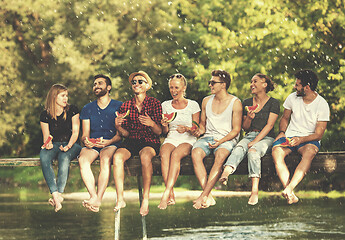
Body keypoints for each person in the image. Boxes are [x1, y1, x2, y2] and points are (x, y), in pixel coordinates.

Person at [219, 73, 280, 205]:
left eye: (255, 81)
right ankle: (226, 172)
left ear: (264, 85)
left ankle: (254, 191)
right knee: (239, 148)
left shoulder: (274, 103)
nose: (252, 84)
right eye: (251, 82)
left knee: (253, 151)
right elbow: (244, 127)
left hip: (267, 138)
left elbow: (269, 126)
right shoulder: (246, 102)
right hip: (249, 135)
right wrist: (249, 118)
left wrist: (255, 141)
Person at [272, 69, 330, 204]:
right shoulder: (292, 98)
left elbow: (318, 134)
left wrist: (302, 139)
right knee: (276, 152)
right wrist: (281, 132)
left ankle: (289, 188)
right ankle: (289, 192)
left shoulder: (322, 104)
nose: (294, 87)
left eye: (297, 85)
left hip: (309, 140)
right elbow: (285, 118)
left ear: (307, 87)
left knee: (309, 152)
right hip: (290, 137)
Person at [113, 71, 162, 216]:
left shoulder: (154, 103)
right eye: (134, 82)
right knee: (117, 157)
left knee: (146, 157)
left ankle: (146, 199)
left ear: (147, 85)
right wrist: (118, 127)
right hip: (131, 140)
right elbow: (126, 134)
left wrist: (152, 123)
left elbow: (159, 132)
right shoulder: (126, 106)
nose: (136, 84)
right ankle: (120, 198)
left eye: (140, 81)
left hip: (149, 141)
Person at [191, 70, 242, 209]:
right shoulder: (206, 101)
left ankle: (204, 195)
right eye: (210, 82)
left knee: (220, 156)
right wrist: (197, 131)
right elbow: (202, 125)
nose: (210, 85)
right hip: (207, 138)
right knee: (195, 153)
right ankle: (208, 195)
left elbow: (236, 130)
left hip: (227, 139)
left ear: (223, 85)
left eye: (213, 82)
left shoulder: (235, 102)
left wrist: (220, 142)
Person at [78, 74, 123, 212]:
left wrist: (109, 142)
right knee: (83, 160)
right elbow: (85, 134)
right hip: (93, 144)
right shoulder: (87, 108)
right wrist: (87, 141)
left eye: (100, 83)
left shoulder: (119, 106)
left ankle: (99, 198)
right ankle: (93, 196)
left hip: (111, 142)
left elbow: (120, 134)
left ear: (108, 87)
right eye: (94, 84)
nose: (96, 86)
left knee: (105, 159)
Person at [158, 73, 201, 210]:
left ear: (184, 88)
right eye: (171, 87)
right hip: (171, 137)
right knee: (164, 154)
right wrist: (164, 124)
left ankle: (166, 193)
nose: (173, 91)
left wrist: (188, 129)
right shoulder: (165, 105)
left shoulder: (193, 105)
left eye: (176, 87)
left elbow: (196, 129)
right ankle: (171, 192)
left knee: (176, 155)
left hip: (188, 138)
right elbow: (165, 132)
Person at [40, 84, 82, 212]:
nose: (66, 98)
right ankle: (55, 195)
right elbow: (46, 136)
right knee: (44, 156)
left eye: (66, 96)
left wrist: (69, 145)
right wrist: (48, 144)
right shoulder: (45, 115)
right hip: (55, 144)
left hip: (72, 144)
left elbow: (75, 132)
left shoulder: (73, 110)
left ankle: (60, 193)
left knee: (64, 157)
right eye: (63, 96)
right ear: (54, 97)